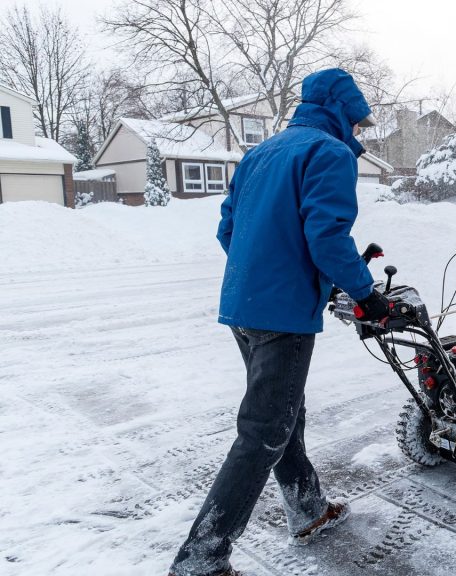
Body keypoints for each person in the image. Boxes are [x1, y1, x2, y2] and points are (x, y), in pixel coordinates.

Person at [169, 68, 392, 576]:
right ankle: (201, 560)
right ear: (342, 112)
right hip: (282, 314)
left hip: (243, 304)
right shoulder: (329, 153)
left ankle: (308, 509)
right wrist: (366, 294)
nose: (358, 131)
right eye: (358, 121)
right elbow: (327, 237)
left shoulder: (261, 153)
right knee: (263, 431)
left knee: (282, 412)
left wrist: (268, 269)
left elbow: (229, 229)